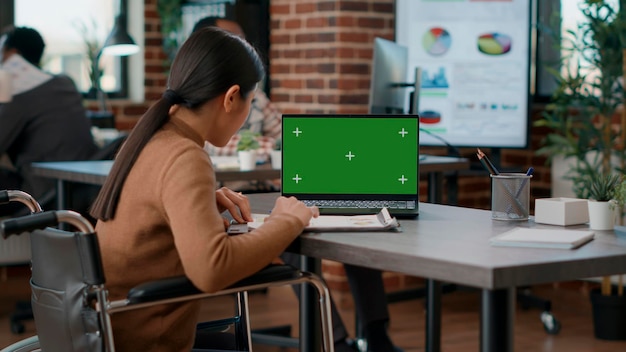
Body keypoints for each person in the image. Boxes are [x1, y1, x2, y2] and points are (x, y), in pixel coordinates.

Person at [89, 26, 319, 351]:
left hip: (112, 333)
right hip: (148, 341)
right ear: (230, 98)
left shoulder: (152, 138)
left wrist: (199, 202)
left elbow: (145, 211)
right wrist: (288, 220)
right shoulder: (186, 156)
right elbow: (212, 270)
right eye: (249, 103)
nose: (246, 115)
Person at [193, 17, 402, 352]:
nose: (244, 51)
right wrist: (263, 146)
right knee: (296, 245)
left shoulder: (255, 97)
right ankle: (337, 342)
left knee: (353, 219)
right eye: (234, 42)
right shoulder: (198, 104)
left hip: (267, 193)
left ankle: (376, 333)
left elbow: (285, 142)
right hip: (241, 201)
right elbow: (225, 145)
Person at [0, 26, 98, 209]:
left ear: (13, 56)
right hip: (83, 191)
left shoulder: (17, 89)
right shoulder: (65, 82)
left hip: (40, 194)